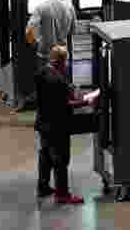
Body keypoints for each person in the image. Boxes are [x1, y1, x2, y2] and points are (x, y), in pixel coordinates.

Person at [34, 45, 90, 204]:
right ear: (61, 61)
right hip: (57, 125)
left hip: (43, 123)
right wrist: (84, 102)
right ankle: (62, 194)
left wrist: (67, 86)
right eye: (65, 61)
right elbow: (64, 105)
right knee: (60, 159)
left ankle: (43, 187)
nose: (66, 64)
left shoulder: (43, 71)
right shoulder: (56, 80)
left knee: (45, 155)